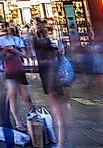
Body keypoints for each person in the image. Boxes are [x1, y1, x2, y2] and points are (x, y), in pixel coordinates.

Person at [34, 20, 69, 148]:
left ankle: (61, 142)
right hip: (48, 74)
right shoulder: (41, 40)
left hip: (50, 74)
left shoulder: (45, 41)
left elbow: (55, 54)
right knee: (57, 110)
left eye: (37, 25)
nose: (36, 27)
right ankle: (60, 140)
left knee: (57, 110)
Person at [0, 24, 32, 132]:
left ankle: (32, 119)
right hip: (8, 70)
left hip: (19, 69)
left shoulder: (18, 40)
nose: (6, 31)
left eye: (8, 29)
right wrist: (4, 52)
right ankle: (18, 122)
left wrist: (14, 51)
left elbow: (25, 55)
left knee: (26, 97)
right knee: (12, 95)